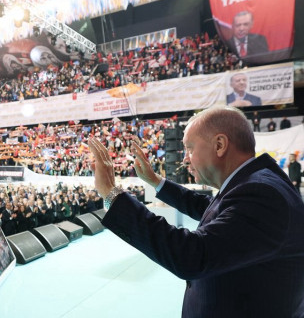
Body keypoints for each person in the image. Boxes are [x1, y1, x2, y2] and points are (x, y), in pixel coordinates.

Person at [88, 105, 304, 318]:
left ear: (220, 145)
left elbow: (192, 256)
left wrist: (111, 193)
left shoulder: (261, 195)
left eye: (190, 149)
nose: (185, 159)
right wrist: (155, 182)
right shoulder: (254, 184)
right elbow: (208, 207)